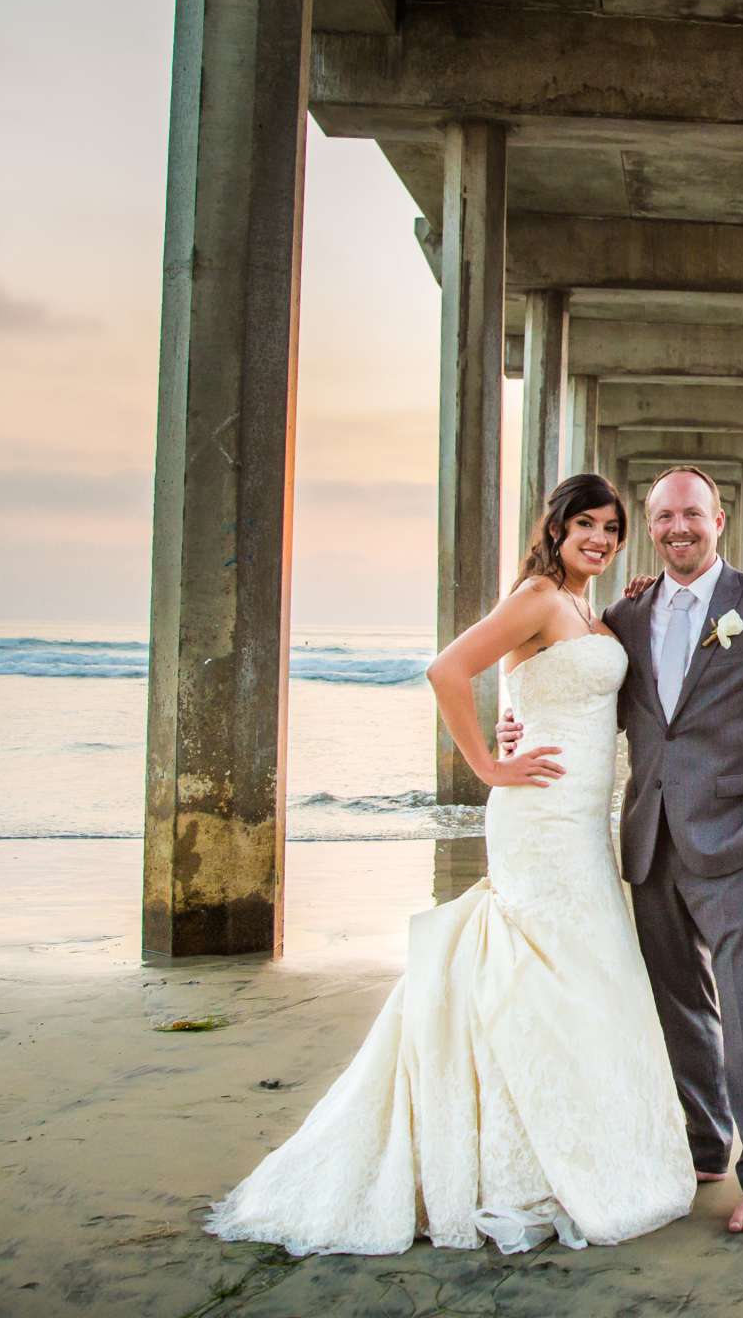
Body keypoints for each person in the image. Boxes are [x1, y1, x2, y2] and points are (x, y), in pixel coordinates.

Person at [203, 473, 694, 1256]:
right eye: (585, 526)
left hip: (581, 823)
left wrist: (622, 609)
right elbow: (446, 669)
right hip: (537, 818)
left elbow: (553, 685)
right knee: (541, 968)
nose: (599, 539)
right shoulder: (537, 596)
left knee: (588, 969)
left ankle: (578, 1139)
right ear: (557, 529)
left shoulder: (583, 609)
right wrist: (487, 767)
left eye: (611, 528)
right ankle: (523, 1157)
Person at [498, 464, 743, 1235]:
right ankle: (706, 1143)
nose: (677, 528)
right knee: (679, 1006)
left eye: (691, 515)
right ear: (649, 530)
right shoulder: (629, 613)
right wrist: (516, 727)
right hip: (648, 840)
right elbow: (580, 694)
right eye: (661, 519)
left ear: (718, 521)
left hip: (736, 840)